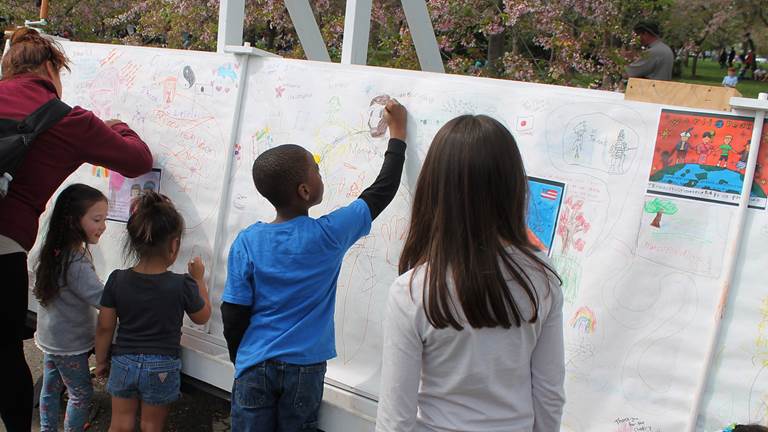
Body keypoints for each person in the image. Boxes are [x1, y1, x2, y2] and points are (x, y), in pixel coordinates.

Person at [221, 100, 408, 431]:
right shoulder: (329, 235)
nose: (321, 172)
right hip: (304, 370)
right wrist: (398, 135)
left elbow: (233, 310)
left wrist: (243, 358)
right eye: (317, 169)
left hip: (255, 363)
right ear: (305, 190)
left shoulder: (247, 241)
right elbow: (381, 192)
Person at [0, 27, 152, 431]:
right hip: (3, 247)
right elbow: (138, 160)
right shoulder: (70, 121)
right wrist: (118, 128)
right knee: (6, 358)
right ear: (51, 68)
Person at [375, 114, 565, 432]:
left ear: (434, 189)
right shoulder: (542, 277)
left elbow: (397, 414)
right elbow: (549, 393)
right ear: (513, 187)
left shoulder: (412, 290)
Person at [95, 192, 211, 432]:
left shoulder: (117, 279)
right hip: (162, 366)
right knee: (151, 426)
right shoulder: (183, 284)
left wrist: (101, 361)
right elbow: (203, 316)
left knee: (120, 424)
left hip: (123, 360)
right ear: (174, 244)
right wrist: (199, 280)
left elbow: (105, 326)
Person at [33, 184, 108, 431]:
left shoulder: (52, 251)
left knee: (51, 388)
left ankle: (47, 429)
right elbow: (102, 298)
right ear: (73, 221)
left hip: (51, 339)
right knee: (80, 393)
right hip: (71, 345)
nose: (103, 226)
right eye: (97, 219)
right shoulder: (75, 262)